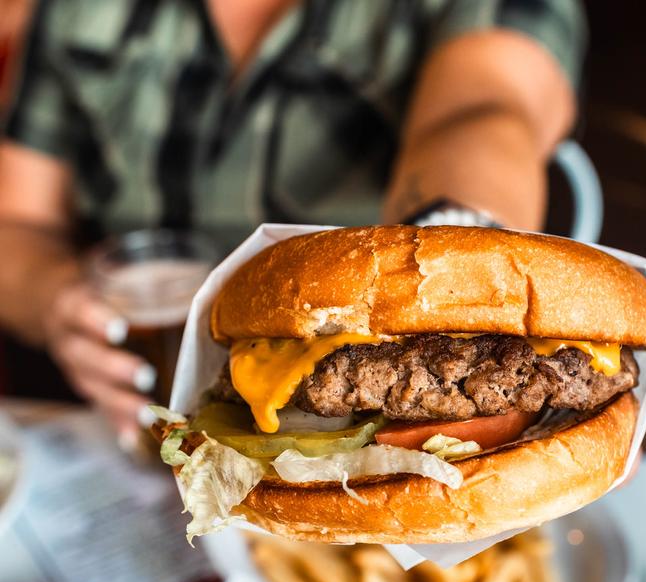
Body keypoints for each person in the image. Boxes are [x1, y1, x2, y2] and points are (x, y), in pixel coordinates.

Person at [0, 0, 585, 444]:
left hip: (370, 408)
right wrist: (55, 300)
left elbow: (481, 108)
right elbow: (15, 220)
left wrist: (464, 258)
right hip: (123, 421)